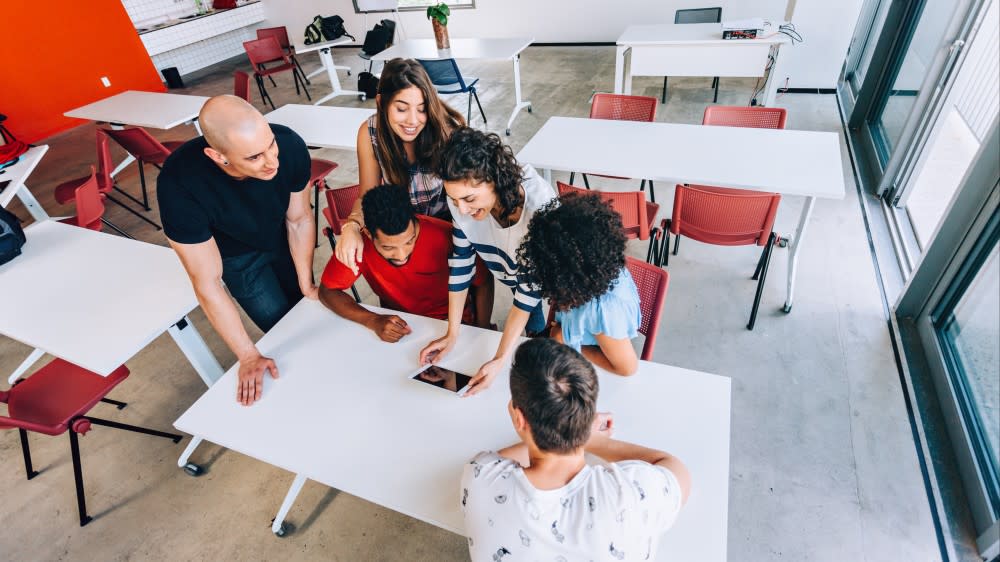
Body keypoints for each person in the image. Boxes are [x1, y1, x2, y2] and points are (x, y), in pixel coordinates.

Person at [460, 339, 691, 561]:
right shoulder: (634, 493)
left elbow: (495, 460)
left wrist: (568, 432)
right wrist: (584, 437)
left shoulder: (480, 477)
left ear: (519, 418)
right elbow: (674, 468)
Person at [157, 95, 316, 406]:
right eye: (255, 157)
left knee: (309, 307)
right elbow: (207, 282)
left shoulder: (289, 144)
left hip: (281, 233)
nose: (273, 162)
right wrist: (247, 355)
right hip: (236, 257)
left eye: (271, 145)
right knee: (280, 324)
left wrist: (306, 281)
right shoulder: (180, 187)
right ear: (218, 156)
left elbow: (298, 219)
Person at [419, 128, 557, 396]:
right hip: (517, 278)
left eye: (469, 199)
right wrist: (452, 333)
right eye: (454, 199)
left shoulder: (539, 207)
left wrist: (499, 359)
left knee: (545, 340)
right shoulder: (462, 204)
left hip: (550, 280)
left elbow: (528, 292)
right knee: (529, 323)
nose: (461, 210)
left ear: (495, 179)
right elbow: (461, 265)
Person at [335, 58, 465, 276]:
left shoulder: (448, 132)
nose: (413, 120)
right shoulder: (370, 133)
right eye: (402, 109)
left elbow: (465, 202)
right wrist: (352, 226)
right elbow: (368, 195)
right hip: (403, 234)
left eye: (422, 109)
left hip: (449, 231)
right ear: (381, 102)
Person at [318, 184, 493, 341]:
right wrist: (371, 319)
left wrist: (482, 331)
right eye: (388, 247)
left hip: (454, 323)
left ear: (415, 221)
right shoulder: (358, 245)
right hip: (401, 326)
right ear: (368, 235)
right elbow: (327, 291)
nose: (401, 255)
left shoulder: (446, 236)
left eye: (410, 241)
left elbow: (483, 282)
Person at [518, 193, 641, 376]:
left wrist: (564, 340)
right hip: (570, 333)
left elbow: (627, 368)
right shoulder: (594, 272)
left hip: (588, 366)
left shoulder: (601, 311)